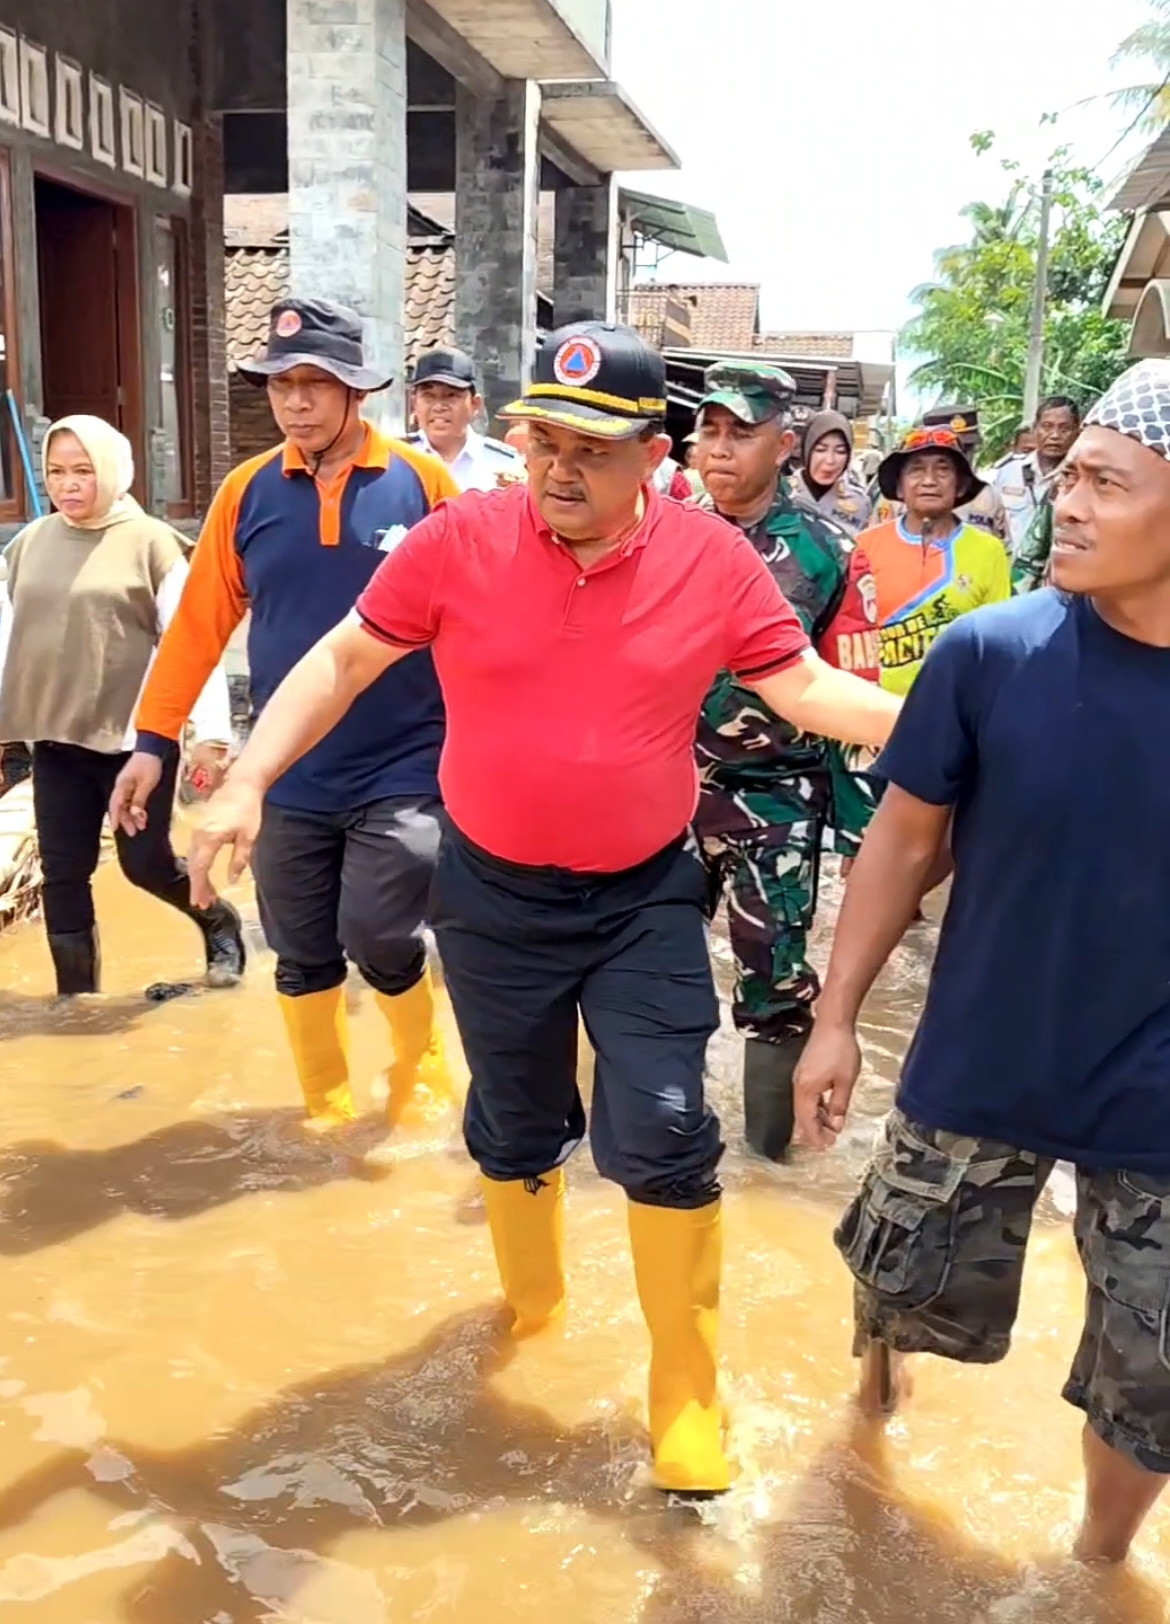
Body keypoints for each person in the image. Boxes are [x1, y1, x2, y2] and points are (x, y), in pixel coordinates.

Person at [174, 321, 902, 1497]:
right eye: (539, 441)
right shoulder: (460, 537)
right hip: (494, 895)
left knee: (666, 1129)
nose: (558, 469)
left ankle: (687, 1404)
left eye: (592, 450)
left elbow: (803, 686)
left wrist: (945, 731)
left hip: (640, 896)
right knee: (513, 1130)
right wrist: (250, 777)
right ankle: (534, 1311)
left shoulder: (713, 562)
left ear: (654, 456)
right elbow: (343, 658)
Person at [793, 357, 1170, 1565]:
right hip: (983, 1053)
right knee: (897, 1285)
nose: (1069, 501)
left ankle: (1096, 1563)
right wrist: (837, 1016)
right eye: (1068, 477)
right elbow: (905, 840)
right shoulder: (989, 653)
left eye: (1108, 483)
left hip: (1159, 1096)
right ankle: (865, 1433)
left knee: (1153, 1372)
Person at [109, 299, 459, 1131]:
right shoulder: (247, 493)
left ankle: (421, 1075)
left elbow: (477, 621)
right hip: (286, 770)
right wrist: (153, 742)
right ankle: (327, 1116)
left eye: (315, 384)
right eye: (281, 385)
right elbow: (198, 630)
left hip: (405, 762)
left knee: (380, 933)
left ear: (356, 392)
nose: (296, 402)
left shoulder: (423, 484)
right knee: (300, 953)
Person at [0, 416, 241, 997]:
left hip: (135, 742)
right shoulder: (31, 543)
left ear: (115, 472)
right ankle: (77, 1002)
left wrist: (211, 735)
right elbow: (12, 636)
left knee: (143, 865)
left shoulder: (153, 544)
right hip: (57, 737)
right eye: (57, 473)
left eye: (83, 471)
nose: (68, 485)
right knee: (62, 874)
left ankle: (217, 919)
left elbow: (194, 643)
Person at [692, 363, 882, 1161]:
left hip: (779, 800)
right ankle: (659, 1150)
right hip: (663, 794)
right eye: (711, 430)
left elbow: (856, 693)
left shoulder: (832, 553)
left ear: (786, 445)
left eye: (743, 433)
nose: (722, 449)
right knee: (642, 964)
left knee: (775, 981)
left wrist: (863, 836)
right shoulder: (660, 532)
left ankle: (770, 1162)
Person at [857, 427, 1011, 694]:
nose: (929, 480)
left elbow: (997, 644)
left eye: (942, 469)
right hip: (875, 712)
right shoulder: (864, 547)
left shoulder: (989, 551)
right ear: (899, 486)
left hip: (955, 713)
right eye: (916, 470)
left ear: (960, 484)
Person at [872, 407, 1010, 546]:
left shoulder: (987, 496)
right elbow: (877, 548)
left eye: (967, 447)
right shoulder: (900, 495)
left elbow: (1004, 552)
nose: (963, 455)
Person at [402, 348, 525, 491]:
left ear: (475, 404)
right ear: (414, 403)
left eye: (451, 396)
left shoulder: (503, 464)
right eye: (429, 396)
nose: (439, 407)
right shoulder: (396, 459)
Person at [993, 396, 1081, 558]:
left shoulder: (1081, 479)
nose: (1054, 435)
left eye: (1064, 428)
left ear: (1077, 432)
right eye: (1047, 427)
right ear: (1035, 429)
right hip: (1008, 573)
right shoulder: (1007, 473)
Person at [792, 409, 873, 535]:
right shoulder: (779, 492)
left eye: (840, 451)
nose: (830, 460)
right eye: (820, 450)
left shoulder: (860, 503)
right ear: (807, 450)